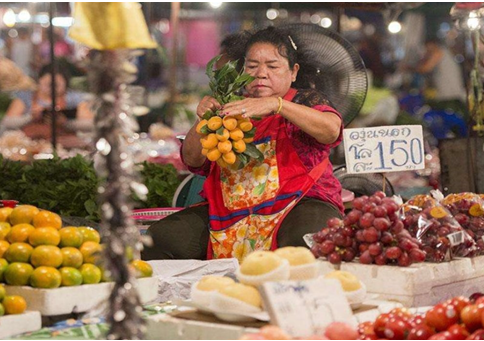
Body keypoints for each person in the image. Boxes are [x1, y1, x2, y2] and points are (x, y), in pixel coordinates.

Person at [143, 27, 344, 262]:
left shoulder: (305, 101)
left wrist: (277, 105)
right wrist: (203, 120)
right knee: (162, 238)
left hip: (299, 202)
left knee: (304, 242)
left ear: (293, 72)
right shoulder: (230, 104)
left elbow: (331, 130)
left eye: (272, 66)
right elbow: (193, 160)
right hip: (229, 212)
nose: (261, 73)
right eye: (251, 66)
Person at [0, 64, 92, 134]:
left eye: (56, 85)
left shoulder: (74, 98)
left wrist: (66, 122)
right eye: (48, 84)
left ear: (65, 84)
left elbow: (90, 124)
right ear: (39, 81)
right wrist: (30, 117)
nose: (52, 88)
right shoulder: (26, 96)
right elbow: (7, 122)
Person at [415, 38, 467, 112]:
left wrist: (408, 68)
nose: (426, 50)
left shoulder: (439, 52)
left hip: (450, 95)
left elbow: (425, 68)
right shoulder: (444, 52)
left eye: (426, 47)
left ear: (432, 45)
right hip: (447, 94)